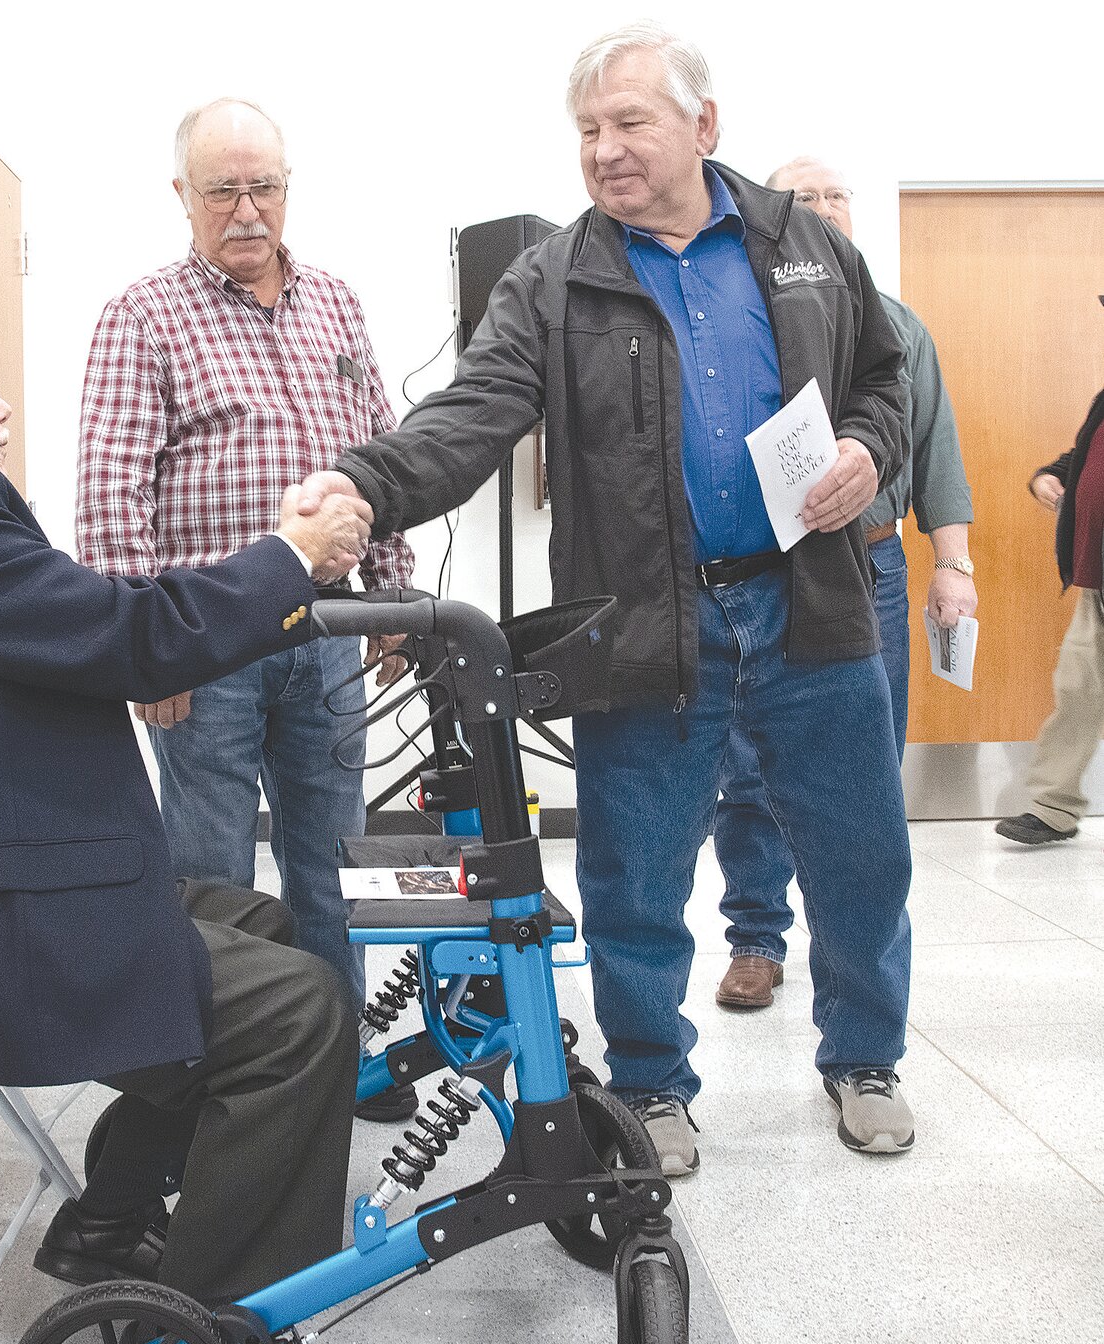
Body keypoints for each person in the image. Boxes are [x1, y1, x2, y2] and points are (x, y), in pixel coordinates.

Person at [301, 22, 917, 1173]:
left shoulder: (804, 247)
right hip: (644, 616)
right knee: (633, 868)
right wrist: (368, 485)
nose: (605, 150)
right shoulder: (555, 277)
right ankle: (652, 1084)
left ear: (704, 126)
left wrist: (872, 452)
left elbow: (881, 380)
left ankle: (864, 1056)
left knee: (859, 849)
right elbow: (473, 411)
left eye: (631, 122)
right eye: (588, 131)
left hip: (808, 606)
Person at [0, 304, 369, 1308]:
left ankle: (111, 1220)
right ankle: (216, 1324)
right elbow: (126, 637)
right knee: (301, 1016)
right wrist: (289, 555)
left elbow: (85, 632)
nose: (1, 411)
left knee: (261, 922)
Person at [75, 100, 415, 1121]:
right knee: (211, 868)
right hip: (205, 639)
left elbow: (380, 452)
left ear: (287, 186)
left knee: (332, 861)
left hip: (329, 632)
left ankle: (338, 1059)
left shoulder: (338, 306)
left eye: (263, 184)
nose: (246, 208)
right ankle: (214, 1073)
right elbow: (108, 491)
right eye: (221, 188)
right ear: (181, 195)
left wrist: (392, 587)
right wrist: (143, 653)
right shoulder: (143, 316)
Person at [710, 156, 977, 1011]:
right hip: (773, 573)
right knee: (749, 765)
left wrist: (955, 566)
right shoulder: (740, 316)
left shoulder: (897, 325)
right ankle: (755, 935)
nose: (823, 209)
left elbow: (936, 452)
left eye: (836, 196)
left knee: (862, 768)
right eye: (804, 199)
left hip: (875, 562)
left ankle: (853, 950)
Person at [995, 366, 1104, 845]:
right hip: (1095, 578)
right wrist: (1050, 476)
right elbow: (1084, 459)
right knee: (1078, 689)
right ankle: (1054, 807)